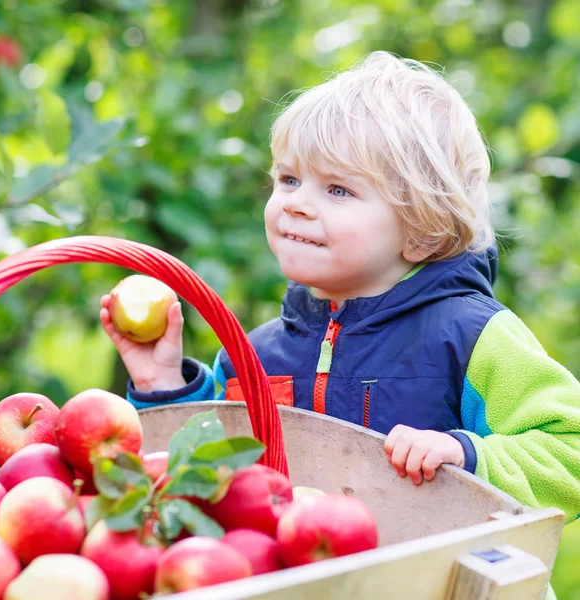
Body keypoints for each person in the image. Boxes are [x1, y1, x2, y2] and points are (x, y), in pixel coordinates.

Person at [100, 52, 580, 527]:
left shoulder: (472, 338)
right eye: (289, 179)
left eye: (338, 190)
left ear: (422, 232)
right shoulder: (255, 354)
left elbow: (569, 452)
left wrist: (468, 454)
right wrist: (163, 385)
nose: (296, 204)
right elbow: (205, 479)